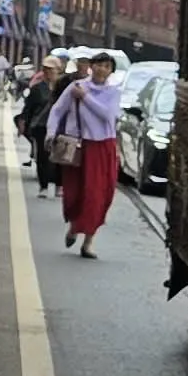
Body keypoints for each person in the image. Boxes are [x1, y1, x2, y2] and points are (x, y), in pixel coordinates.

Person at [50, 48, 125, 256]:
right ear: (91, 67)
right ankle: (75, 227)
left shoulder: (112, 92)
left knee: (100, 195)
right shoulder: (76, 87)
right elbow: (58, 110)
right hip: (81, 147)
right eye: (99, 65)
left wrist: (86, 98)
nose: (102, 69)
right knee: (78, 192)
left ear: (111, 71)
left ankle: (88, 241)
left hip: (104, 147)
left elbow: (107, 115)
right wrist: (51, 133)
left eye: (107, 66)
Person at [16, 53, 64, 190]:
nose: (48, 72)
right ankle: (43, 185)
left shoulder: (63, 87)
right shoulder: (37, 88)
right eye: (46, 69)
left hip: (60, 127)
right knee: (43, 156)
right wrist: (22, 122)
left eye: (51, 69)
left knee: (59, 156)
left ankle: (58, 185)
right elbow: (28, 107)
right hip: (41, 125)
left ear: (58, 70)